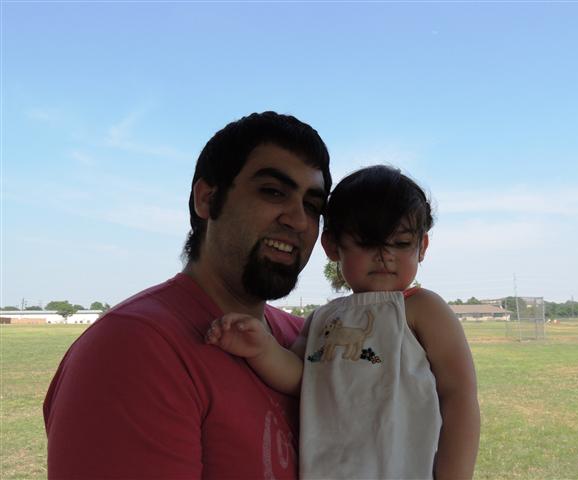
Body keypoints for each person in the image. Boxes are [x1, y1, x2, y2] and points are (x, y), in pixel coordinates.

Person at [43, 111, 332, 479]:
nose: (299, 220)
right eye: (273, 191)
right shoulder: (134, 350)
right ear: (207, 199)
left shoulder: (308, 340)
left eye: (312, 206)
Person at [206, 165, 481, 480]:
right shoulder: (324, 318)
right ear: (332, 246)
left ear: (423, 247)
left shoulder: (423, 308)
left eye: (401, 243)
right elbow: (301, 377)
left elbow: (459, 394)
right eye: (366, 242)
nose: (385, 255)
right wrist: (261, 348)